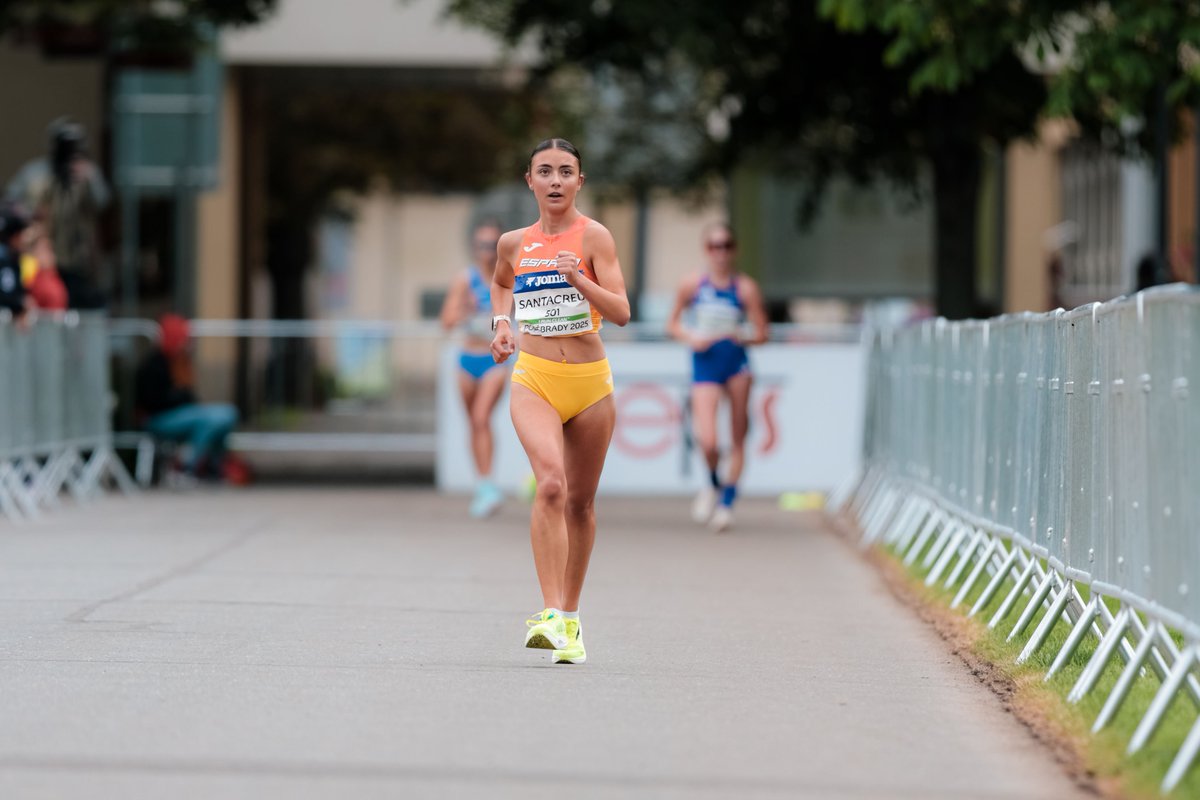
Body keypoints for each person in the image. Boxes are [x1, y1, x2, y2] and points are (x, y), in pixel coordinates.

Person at [490, 138, 630, 665]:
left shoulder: (595, 237)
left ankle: (570, 618)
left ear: (579, 181)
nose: (554, 181)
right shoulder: (513, 243)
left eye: (564, 172)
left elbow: (621, 312)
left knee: (581, 503)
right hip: (535, 377)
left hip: (591, 382)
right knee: (550, 482)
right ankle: (549, 612)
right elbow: (501, 283)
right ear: (529, 180)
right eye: (544, 171)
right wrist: (501, 324)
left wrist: (578, 279)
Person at [667, 222, 768, 532]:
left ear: (733, 251)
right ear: (706, 250)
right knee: (708, 440)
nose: (720, 253)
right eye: (714, 246)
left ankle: (726, 505)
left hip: (736, 363)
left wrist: (744, 336)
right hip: (705, 363)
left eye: (725, 246)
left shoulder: (745, 288)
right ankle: (712, 484)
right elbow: (672, 324)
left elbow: (763, 332)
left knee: (737, 436)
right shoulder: (693, 284)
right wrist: (691, 337)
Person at [439, 219, 508, 518]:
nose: (487, 252)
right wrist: (466, 310)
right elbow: (447, 321)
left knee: (482, 418)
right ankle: (483, 484)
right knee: (475, 423)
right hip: (467, 359)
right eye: (482, 245)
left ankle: (488, 484)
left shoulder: (507, 278)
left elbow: (513, 316)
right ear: (473, 247)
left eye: (492, 245)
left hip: (495, 361)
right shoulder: (465, 279)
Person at [5, 118, 110, 310]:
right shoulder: (36, 173)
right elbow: (11, 202)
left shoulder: (85, 174)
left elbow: (102, 202)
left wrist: (88, 177)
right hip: (40, 260)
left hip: (76, 259)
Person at [135, 314, 240, 485]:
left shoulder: (181, 363)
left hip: (180, 415)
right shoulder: (153, 365)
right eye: (183, 339)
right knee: (208, 421)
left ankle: (213, 467)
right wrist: (180, 396)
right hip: (158, 419)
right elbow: (154, 402)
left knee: (227, 414)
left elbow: (188, 397)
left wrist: (186, 398)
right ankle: (185, 467)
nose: (187, 344)